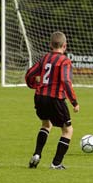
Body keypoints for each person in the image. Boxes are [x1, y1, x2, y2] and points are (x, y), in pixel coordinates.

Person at [25, 31, 79, 169]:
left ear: (50, 45)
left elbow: (30, 73)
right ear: (65, 46)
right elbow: (66, 81)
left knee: (46, 125)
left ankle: (37, 154)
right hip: (55, 99)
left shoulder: (45, 58)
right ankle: (56, 163)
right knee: (68, 130)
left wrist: (34, 85)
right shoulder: (65, 60)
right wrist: (74, 102)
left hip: (40, 97)